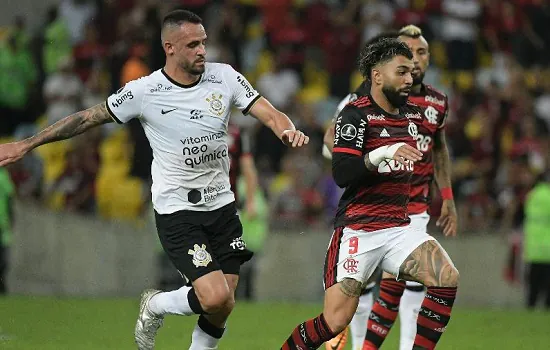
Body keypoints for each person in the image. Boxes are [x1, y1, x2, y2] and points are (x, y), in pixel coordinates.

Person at [0, 10, 309, 350]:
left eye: (204, 42)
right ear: (170, 47)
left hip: (222, 205)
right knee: (214, 295)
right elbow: (87, 118)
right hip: (179, 211)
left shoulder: (225, 77)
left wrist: (287, 130)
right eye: (193, 44)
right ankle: (157, 304)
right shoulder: (145, 91)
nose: (202, 51)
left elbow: (267, 111)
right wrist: (27, 144)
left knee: (224, 303)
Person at [281, 38, 459, 350]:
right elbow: (342, 173)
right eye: (401, 72)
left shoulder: (413, 116)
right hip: (358, 230)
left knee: (446, 276)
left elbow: (438, 150)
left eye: (411, 72)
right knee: (333, 323)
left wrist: (445, 195)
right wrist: (382, 153)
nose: (410, 78)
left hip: (398, 228)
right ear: (377, 76)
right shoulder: (355, 114)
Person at [363, 25, 457, 350]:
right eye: (408, 53)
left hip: (414, 211)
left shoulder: (437, 102)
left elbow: (439, 148)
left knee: (415, 286)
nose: (415, 60)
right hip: (372, 210)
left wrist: (447, 198)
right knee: (352, 299)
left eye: (422, 52)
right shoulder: (373, 97)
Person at [321, 32, 398, 350]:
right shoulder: (355, 101)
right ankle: (339, 333)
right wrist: (359, 161)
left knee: (378, 281)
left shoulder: (403, 99)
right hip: (364, 201)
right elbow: (329, 138)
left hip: (393, 200)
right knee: (358, 282)